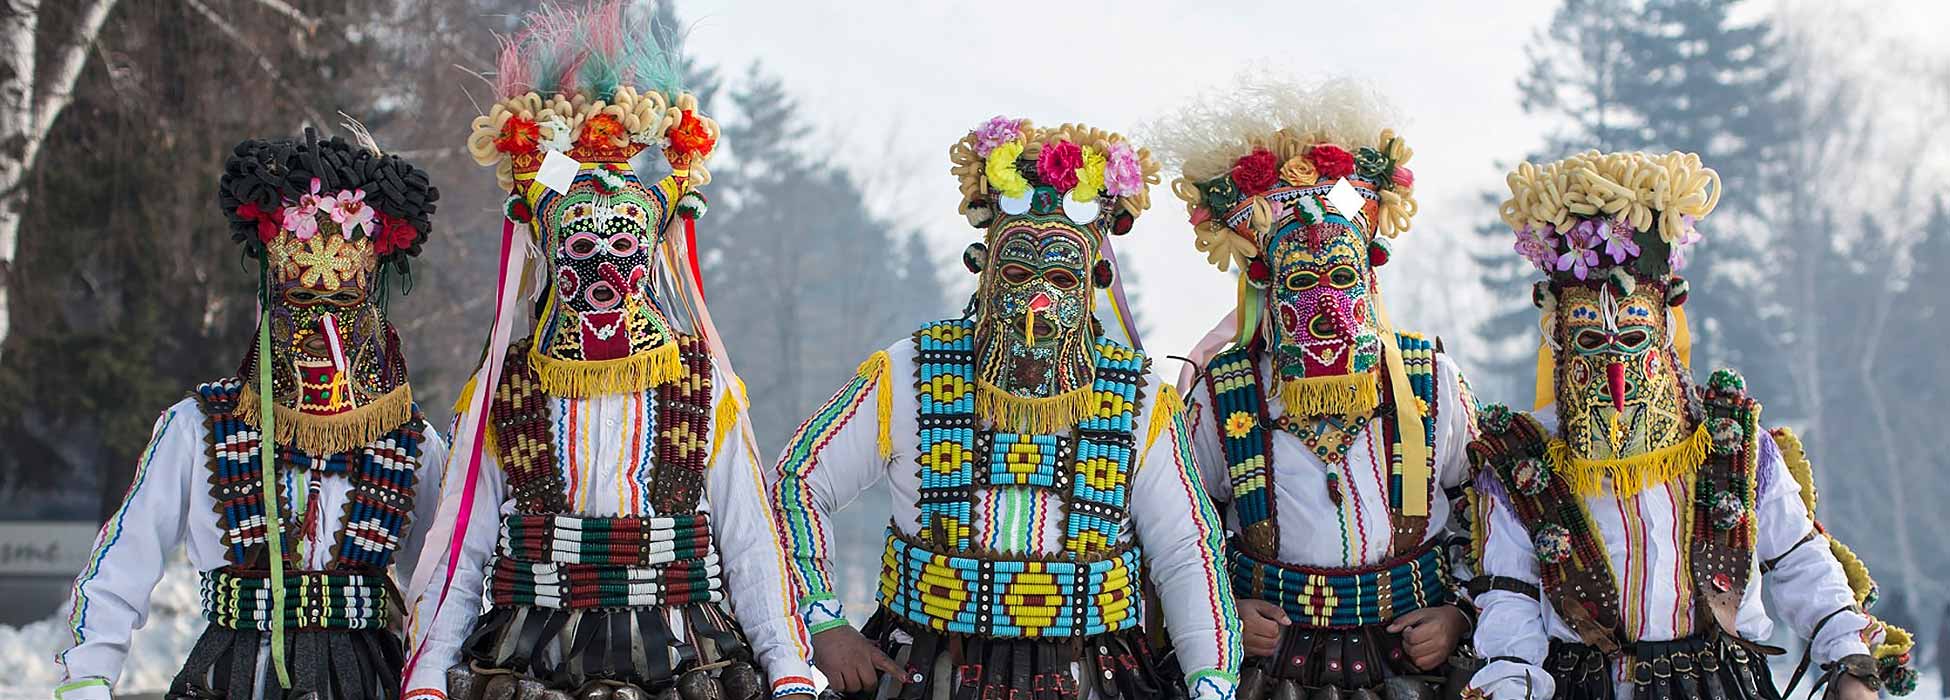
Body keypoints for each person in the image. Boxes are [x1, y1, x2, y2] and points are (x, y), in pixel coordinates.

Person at [399, 5, 812, 700]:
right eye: (581, 247)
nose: (602, 273)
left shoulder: (701, 385)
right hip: (529, 657)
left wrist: (788, 666)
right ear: (551, 253)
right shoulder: (506, 389)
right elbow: (463, 551)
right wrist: (430, 674)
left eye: (623, 248)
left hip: (684, 657)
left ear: (650, 256)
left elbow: (750, 543)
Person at [769, 116, 1242, 700]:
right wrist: (824, 623)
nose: (1036, 302)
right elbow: (798, 480)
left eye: (1062, 278)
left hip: (1090, 674)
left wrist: (1210, 682)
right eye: (1017, 272)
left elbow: (1186, 548)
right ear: (982, 267)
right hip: (927, 668)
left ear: (1093, 282)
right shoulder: (913, 370)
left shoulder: (1138, 396)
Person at [1464, 150, 1916, 699]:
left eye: (1632, 338)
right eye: (1589, 340)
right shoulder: (1524, 460)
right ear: (1559, 337)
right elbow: (1510, 607)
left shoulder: (1729, 443)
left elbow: (1798, 560)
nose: (1615, 370)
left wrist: (1849, 660)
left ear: (1664, 326)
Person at [52, 131, 447, 700]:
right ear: (270, 296)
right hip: (233, 674)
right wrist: (88, 677)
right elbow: (123, 562)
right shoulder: (199, 426)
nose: (321, 328)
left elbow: (438, 585)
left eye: (340, 304)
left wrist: (432, 679)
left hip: (366, 680)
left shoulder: (410, 441)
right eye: (300, 301)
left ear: (371, 300)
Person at [1151, 77, 1480, 699]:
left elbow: (1488, 512)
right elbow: (1180, 529)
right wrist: (1225, 611)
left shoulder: (1429, 379)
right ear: (1267, 290)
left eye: (1341, 274)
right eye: (1300, 279)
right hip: (1271, 670)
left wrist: (1458, 614)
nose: (1325, 305)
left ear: (1369, 280)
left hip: (1412, 661)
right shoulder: (1223, 392)